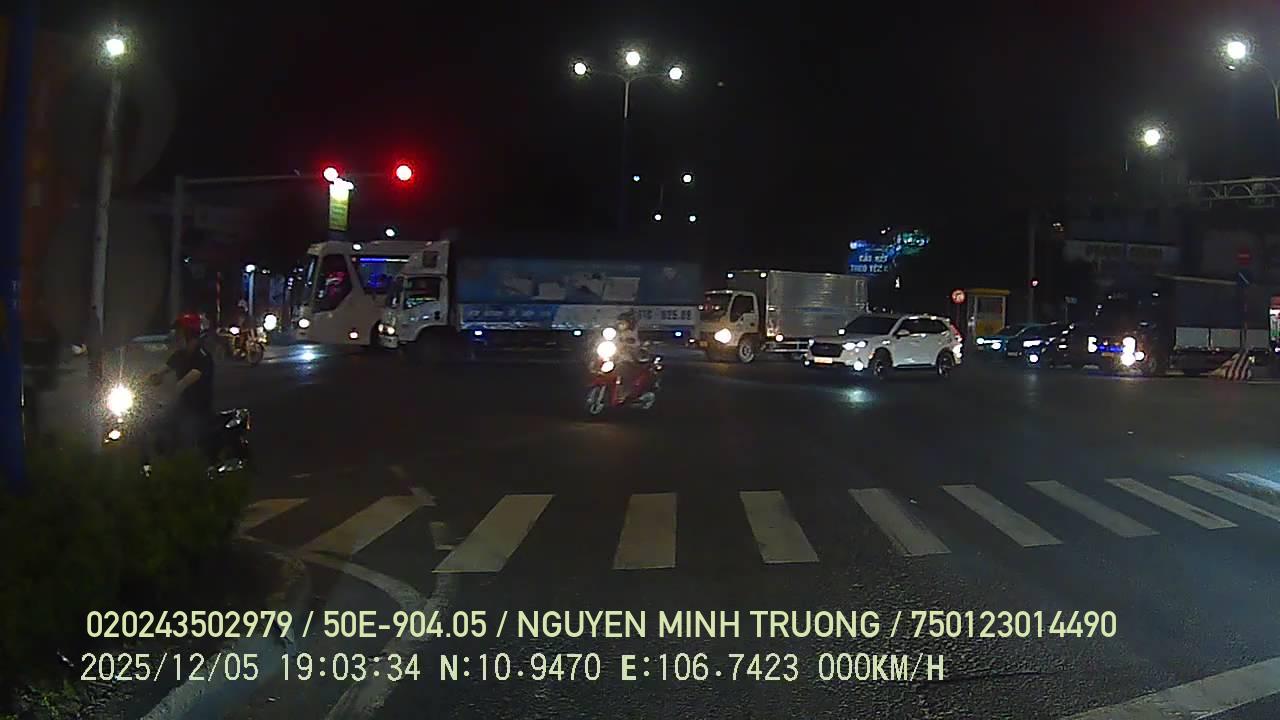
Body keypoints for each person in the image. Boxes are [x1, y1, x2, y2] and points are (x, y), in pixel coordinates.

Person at [146, 313, 215, 455]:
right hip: (180, 406)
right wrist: (148, 380)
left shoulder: (202, 357)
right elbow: (162, 370)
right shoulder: (179, 355)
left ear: (190, 335)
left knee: (186, 437)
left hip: (197, 410)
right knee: (152, 425)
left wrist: (169, 393)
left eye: (179, 333)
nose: (176, 336)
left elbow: (186, 381)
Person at [613, 310, 647, 402]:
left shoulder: (635, 332)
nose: (620, 324)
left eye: (623, 322)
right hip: (616, 357)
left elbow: (639, 344)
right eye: (619, 322)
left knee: (626, 372)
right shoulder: (616, 332)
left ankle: (625, 393)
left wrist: (632, 345)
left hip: (630, 359)